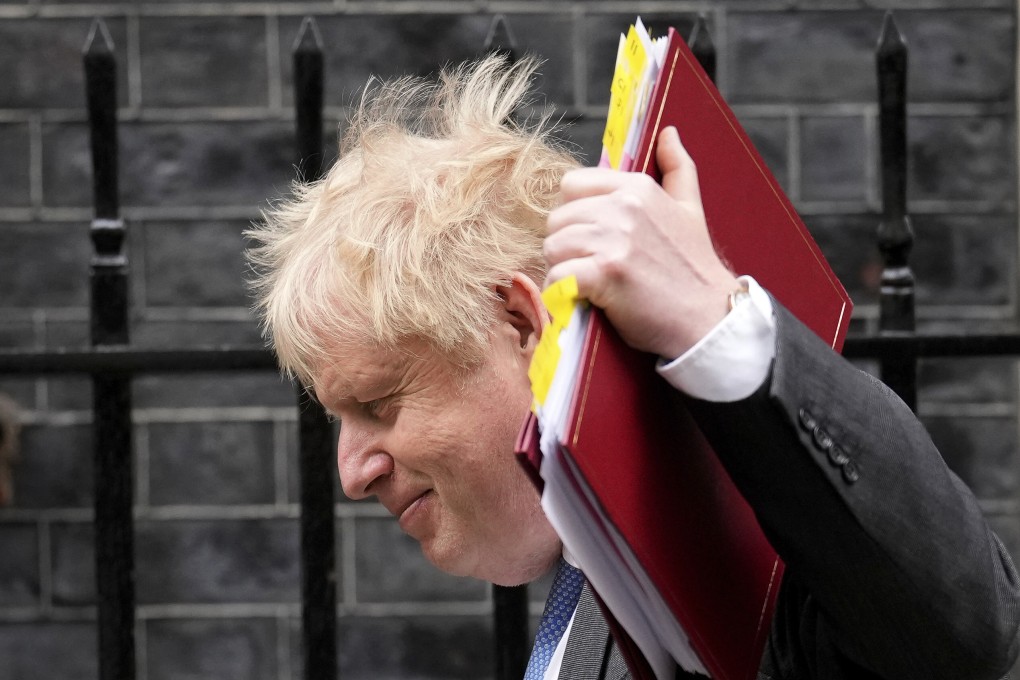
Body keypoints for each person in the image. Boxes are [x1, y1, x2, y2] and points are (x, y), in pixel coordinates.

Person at [246, 55, 1020, 680]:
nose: (350, 471)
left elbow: (962, 638)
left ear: (520, 321)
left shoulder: (759, 562)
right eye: (337, 419)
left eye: (378, 402)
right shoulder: (602, 584)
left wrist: (713, 322)